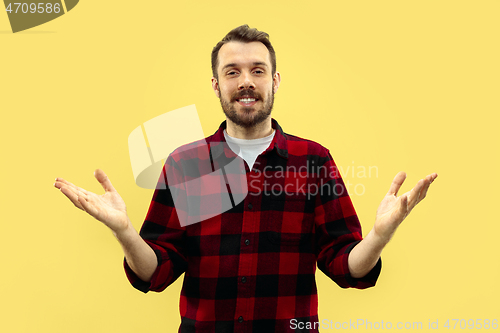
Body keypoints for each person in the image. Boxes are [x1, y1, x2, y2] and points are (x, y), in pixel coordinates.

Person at [54, 25, 437, 332]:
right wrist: (123, 231)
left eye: (258, 70)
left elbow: (345, 266)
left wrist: (379, 237)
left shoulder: (313, 160)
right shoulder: (186, 163)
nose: (246, 81)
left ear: (275, 80)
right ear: (216, 85)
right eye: (232, 72)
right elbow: (156, 273)